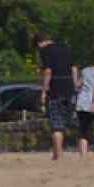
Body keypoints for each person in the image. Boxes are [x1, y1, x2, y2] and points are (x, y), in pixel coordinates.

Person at [36, 30, 78, 161]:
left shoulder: (46, 51)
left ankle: (58, 155)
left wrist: (44, 91)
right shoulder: (66, 48)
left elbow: (48, 71)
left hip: (56, 89)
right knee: (66, 121)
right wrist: (74, 85)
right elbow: (74, 69)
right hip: (69, 89)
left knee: (56, 124)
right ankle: (58, 153)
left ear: (40, 43)